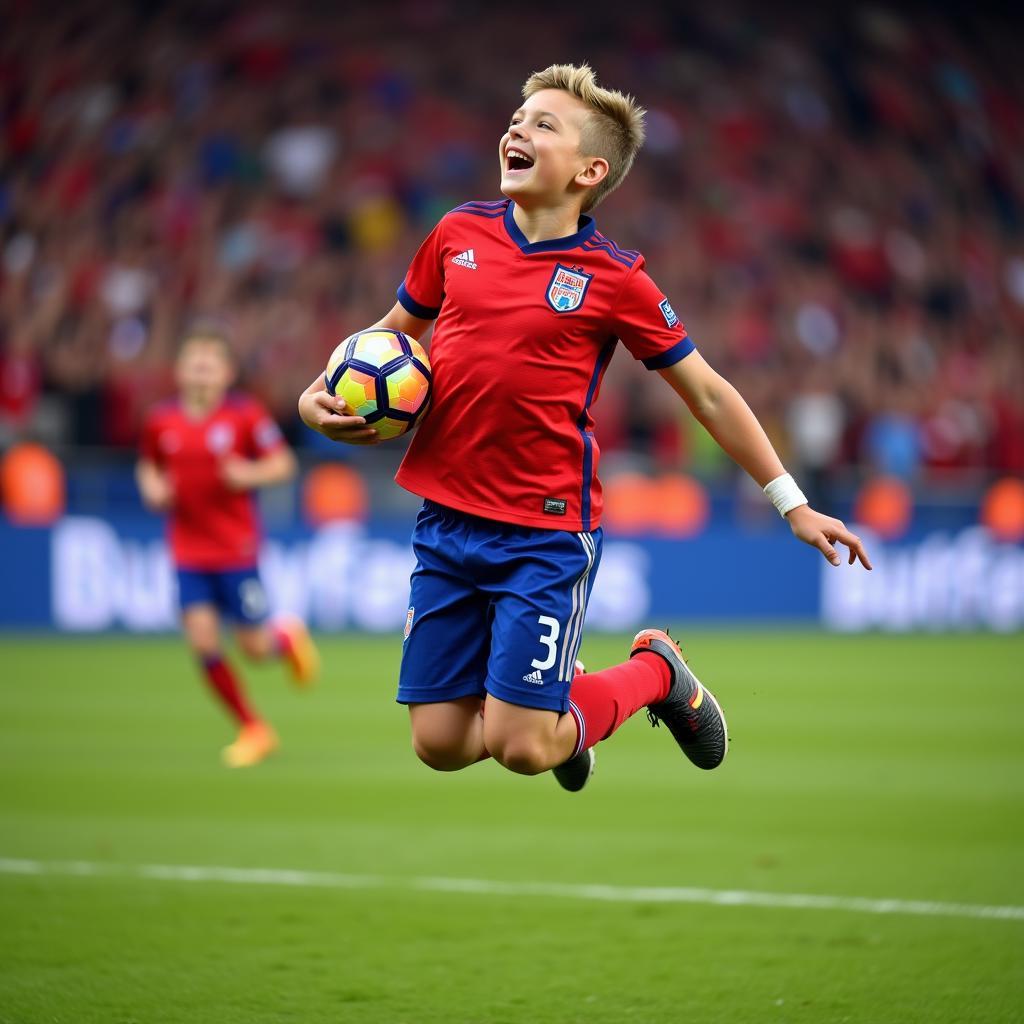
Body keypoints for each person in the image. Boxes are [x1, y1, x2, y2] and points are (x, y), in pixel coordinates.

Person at [299, 64, 871, 792]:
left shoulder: (615, 278)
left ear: (589, 170)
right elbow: (383, 340)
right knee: (439, 743)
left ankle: (654, 673)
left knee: (522, 747)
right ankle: (564, 711)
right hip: (445, 521)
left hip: (542, 531)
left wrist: (792, 502)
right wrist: (313, 397)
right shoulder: (456, 235)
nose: (517, 128)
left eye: (543, 124)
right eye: (516, 116)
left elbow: (709, 394)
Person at [138, 325, 319, 768]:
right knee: (203, 642)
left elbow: (283, 465)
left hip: (236, 550)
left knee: (254, 649)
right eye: (193, 365)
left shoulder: (245, 416)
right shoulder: (162, 421)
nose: (201, 374)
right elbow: (149, 466)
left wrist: (248, 475)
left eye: (209, 365)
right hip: (187, 551)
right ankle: (253, 728)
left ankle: (285, 638)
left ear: (227, 373)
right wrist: (153, 489)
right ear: (179, 371)